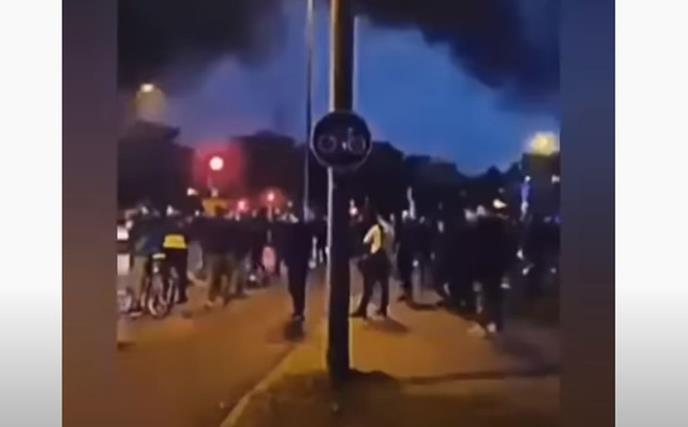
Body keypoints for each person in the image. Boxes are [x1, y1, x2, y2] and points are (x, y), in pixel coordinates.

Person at [471, 204, 517, 335]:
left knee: (488, 295)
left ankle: (485, 322)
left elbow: (478, 254)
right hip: (497, 268)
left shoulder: (484, 238)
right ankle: (496, 322)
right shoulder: (503, 236)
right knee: (493, 295)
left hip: (487, 268)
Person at [352, 209, 394, 318]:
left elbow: (366, 243)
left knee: (368, 286)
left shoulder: (375, 229)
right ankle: (383, 308)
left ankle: (362, 309)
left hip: (376, 259)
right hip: (386, 258)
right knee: (384, 285)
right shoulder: (389, 228)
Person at [284, 212, 313, 321]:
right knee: (298, 287)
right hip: (300, 263)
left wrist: (286, 259)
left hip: (296, 263)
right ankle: (299, 310)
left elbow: (288, 247)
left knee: (295, 287)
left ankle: (299, 310)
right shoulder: (304, 233)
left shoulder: (293, 233)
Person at [395, 211, 415, 302]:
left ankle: (408, 295)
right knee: (404, 276)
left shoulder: (409, 231)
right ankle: (406, 294)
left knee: (406, 276)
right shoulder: (405, 230)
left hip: (407, 254)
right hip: (403, 253)